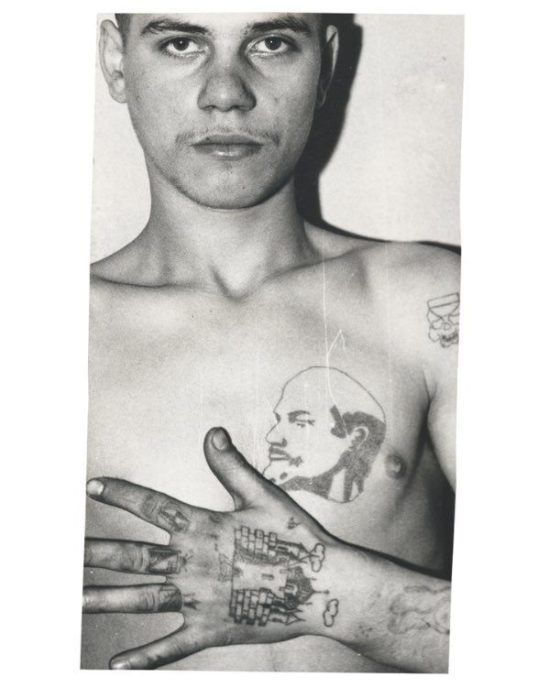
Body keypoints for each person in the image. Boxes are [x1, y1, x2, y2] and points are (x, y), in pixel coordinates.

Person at [83, 12, 459, 673]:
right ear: (117, 59)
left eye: (272, 43)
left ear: (325, 64)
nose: (226, 92)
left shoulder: (431, 304)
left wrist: (334, 595)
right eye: (181, 43)